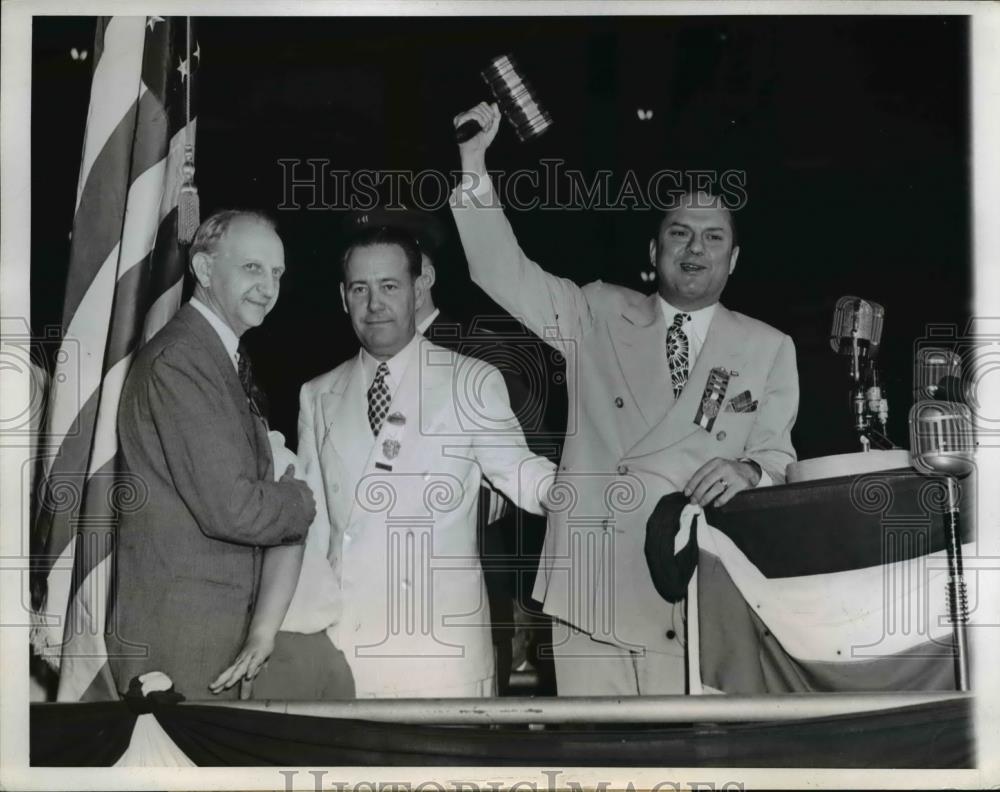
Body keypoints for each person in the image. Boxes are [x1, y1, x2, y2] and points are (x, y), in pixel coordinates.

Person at [449, 102, 799, 696]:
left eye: (713, 237)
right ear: (653, 250)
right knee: (596, 770)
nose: (695, 248)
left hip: (694, 592)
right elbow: (501, 271)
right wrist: (475, 163)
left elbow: (779, 461)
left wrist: (747, 469)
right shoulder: (596, 310)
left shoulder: (768, 347)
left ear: (733, 259)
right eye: (679, 233)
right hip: (592, 588)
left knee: (683, 772)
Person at [295, 220, 556, 697]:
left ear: (418, 291)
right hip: (345, 648)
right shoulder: (317, 394)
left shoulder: (469, 380)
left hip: (439, 655)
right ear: (342, 296)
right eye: (360, 289)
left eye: (389, 286)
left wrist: (579, 492)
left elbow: (521, 471)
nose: (374, 305)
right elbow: (311, 530)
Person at [107, 210, 317, 700]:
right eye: (252, 268)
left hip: (210, 640)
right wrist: (301, 500)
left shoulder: (217, 357)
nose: (268, 286)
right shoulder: (183, 360)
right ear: (203, 271)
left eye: (277, 273)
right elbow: (235, 510)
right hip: (180, 644)